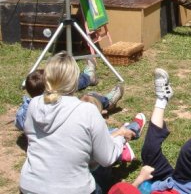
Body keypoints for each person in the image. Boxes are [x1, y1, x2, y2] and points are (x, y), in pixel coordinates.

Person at [19, 51, 135, 194]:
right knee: (98, 166)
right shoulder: (87, 111)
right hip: (73, 190)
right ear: (76, 80)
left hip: (30, 187)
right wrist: (121, 138)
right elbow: (107, 158)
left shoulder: (34, 104)